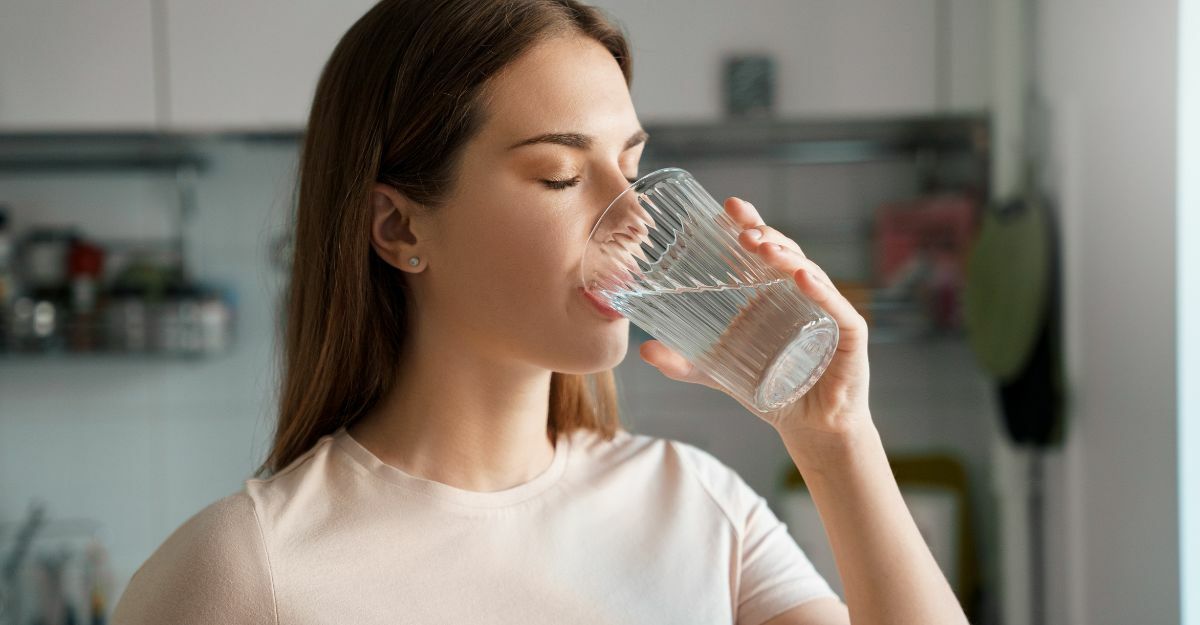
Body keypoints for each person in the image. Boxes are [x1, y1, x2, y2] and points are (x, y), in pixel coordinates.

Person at [112, 1, 969, 623]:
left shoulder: (696, 507)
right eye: (561, 175)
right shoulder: (248, 570)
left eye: (630, 165)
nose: (631, 216)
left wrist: (836, 439)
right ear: (400, 226)